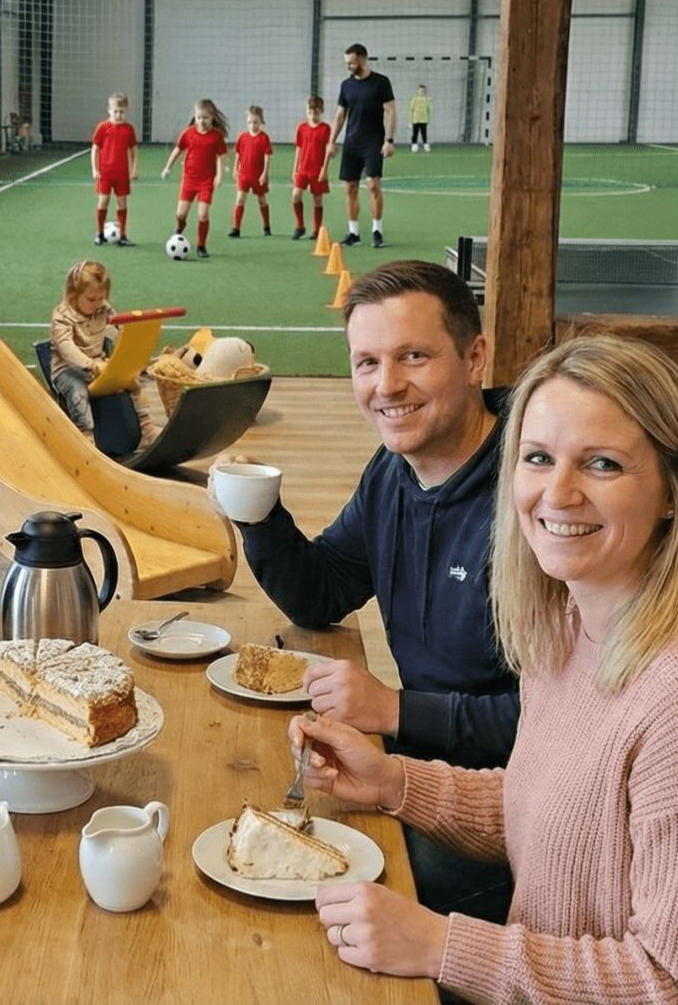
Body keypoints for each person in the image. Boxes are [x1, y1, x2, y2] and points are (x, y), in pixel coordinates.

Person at [296, 333, 678, 1004]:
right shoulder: (571, 622)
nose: (558, 493)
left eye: (601, 464)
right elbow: (551, 811)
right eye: (538, 458)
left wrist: (439, 944)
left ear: (673, 492)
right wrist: (393, 781)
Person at [228, 259, 518, 923]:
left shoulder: (536, 502)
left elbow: (554, 724)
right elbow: (323, 592)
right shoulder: (394, 470)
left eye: (413, 356)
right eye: (366, 363)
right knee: (255, 828)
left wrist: (394, 710)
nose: (387, 386)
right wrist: (259, 512)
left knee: (296, 893)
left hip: (509, 821)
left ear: (475, 358)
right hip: (412, 773)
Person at [46, 259, 157, 445]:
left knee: (132, 382)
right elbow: (66, 347)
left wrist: (134, 348)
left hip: (99, 364)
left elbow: (119, 328)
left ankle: (147, 427)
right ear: (73, 294)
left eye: (101, 298)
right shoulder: (62, 315)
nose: (98, 304)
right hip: (68, 369)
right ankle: (86, 436)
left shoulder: (103, 309)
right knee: (77, 392)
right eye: (91, 299)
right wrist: (90, 364)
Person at [329, 43, 397, 249]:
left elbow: (391, 111)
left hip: (373, 141)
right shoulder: (346, 85)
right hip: (351, 143)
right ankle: (353, 233)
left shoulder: (381, 83)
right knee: (350, 187)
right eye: (346, 63)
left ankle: (377, 231)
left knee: (373, 185)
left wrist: (389, 140)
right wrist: (331, 141)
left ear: (363, 59)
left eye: (351, 62)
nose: (348, 66)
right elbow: (340, 115)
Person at [159, 98, 229, 259]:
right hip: (189, 180)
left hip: (206, 182)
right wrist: (167, 168)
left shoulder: (216, 137)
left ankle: (201, 245)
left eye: (205, 118)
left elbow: (222, 156)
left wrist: (219, 176)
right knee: (180, 214)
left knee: (203, 215)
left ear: (213, 117)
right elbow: (177, 150)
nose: (201, 121)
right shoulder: (188, 133)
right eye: (198, 117)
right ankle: (179, 229)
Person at [91, 93, 139, 246]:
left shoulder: (128, 129)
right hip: (105, 173)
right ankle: (99, 233)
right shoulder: (103, 127)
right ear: (109, 111)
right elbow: (95, 149)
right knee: (103, 201)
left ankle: (123, 235)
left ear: (127, 111)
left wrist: (134, 169)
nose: (119, 115)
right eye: (116, 111)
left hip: (122, 174)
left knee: (122, 202)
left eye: (122, 111)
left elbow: (134, 150)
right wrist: (94, 169)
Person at [289, 95, 332, 243]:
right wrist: (295, 169)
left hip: (317, 170)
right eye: (310, 111)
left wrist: (324, 169)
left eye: (316, 111)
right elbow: (299, 149)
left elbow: (328, 151)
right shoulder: (301, 128)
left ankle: (317, 230)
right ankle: (300, 226)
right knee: (296, 195)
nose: (312, 114)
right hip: (303, 170)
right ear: (306, 111)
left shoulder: (326, 129)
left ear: (321, 111)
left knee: (317, 200)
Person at [228, 105, 274, 239]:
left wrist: (264, 173)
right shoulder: (243, 137)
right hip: (244, 175)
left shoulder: (264, 138)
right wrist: (235, 169)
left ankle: (266, 227)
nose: (252, 125)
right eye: (250, 122)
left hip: (258, 176)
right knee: (240, 199)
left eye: (256, 122)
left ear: (261, 122)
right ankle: (236, 228)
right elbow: (238, 154)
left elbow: (267, 156)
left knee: (262, 200)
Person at [408, 84, 433, 152]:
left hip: (424, 120)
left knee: (424, 133)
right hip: (415, 120)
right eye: (420, 90)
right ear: (418, 91)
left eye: (423, 90)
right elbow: (411, 110)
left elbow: (429, 110)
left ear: (425, 91)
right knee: (415, 133)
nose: (421, 92)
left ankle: (425, 145)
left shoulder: (427, 99)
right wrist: (410, 121)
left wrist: (429, 121)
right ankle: (414, 145)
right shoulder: (414, 99)